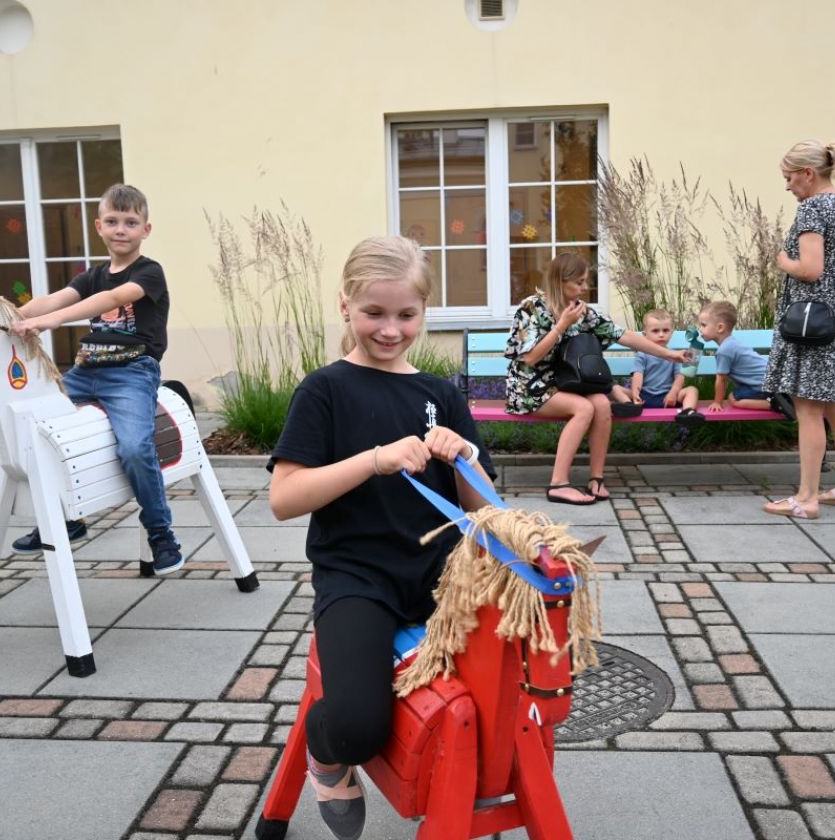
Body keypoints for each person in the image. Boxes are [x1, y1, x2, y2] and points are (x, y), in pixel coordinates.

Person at [268, 235, 497, 840]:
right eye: (375, 313)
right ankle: (325, 751)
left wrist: (466, 454)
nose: (390, 329)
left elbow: (479, 510)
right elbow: (284, 500)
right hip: (358, 577)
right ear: (346, 305)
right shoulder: (325, 389)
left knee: (509, 695)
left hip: (440, 575)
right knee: (356, 728)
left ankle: (460, 782)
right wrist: (374, 459)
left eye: (406, 315)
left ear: (424, 312)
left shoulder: (441, 393)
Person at [8, 184, 184, 575]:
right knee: (34, 432)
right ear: (99, 227)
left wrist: (50, 322)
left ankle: (161, 534)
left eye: (130, 222)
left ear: (146, 229)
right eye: (113, 222)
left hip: (131, 372)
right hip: (86, 371)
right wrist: (10, 314)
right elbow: (52, 300)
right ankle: (65, 519)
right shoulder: (91, 275)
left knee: (136, 448)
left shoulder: (149, 273)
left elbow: (111, 300)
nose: (121, 229)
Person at [505, 253, 690, 505]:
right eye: (579, 282)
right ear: (560, 281)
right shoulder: (531, 308)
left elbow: (625, 336)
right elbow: (530, 357)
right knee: (583, 408)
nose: (584, 287)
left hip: (564, 383)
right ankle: (558, 484)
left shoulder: (582, 312)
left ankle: (596, 478)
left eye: (585, 281)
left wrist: (671, 355)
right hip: (529, 386)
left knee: (602, 404)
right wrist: (561, 325)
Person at [761, 140, 835, 519]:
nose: (788, 185)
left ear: (808, 173)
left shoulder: (813, 208)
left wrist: (782, 261)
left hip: (813, 321)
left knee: (807, 406)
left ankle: (806, 498)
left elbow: (810, 269)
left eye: (790, 177)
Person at [697, 301, 795, 417]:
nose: (700, 329)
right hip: (770, 381)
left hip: (763, 385)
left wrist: (717, 403)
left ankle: (775, 403)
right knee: (737, 395)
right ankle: (779, 398)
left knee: (733, 399)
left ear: (720, 328)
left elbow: (721, 380)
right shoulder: (731, 343)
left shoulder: (724, 351)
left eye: (703, 325)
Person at [629, 308, 704, 429]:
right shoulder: (642, 354)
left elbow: (679, 377)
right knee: (615, 389)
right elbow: (638, 375)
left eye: (665, 330)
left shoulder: (674, 355)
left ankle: (688, 413)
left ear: (671, 333)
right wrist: (635, 394)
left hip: (667, 397)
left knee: (692, 390)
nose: (661, 334)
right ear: (644, 334)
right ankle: (629, 405)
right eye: (655, 331)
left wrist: (673, 394)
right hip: (644, 396)